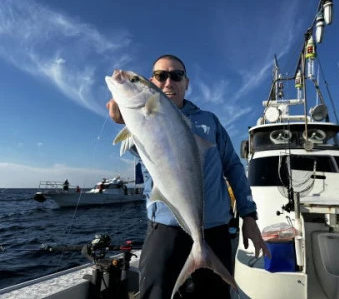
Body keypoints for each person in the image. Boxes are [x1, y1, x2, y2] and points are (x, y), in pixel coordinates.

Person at [106, 54, 269, 298]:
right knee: (155, 293)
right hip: (164, 227)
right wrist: (126, 121)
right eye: (161, 76)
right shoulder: (138, 117)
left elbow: (234, 166)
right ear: (152, 82)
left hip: (214, 229)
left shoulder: (209, 122)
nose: (168, 82)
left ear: (186, 83)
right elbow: (143, 151)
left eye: (176, 75)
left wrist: (248, 215)